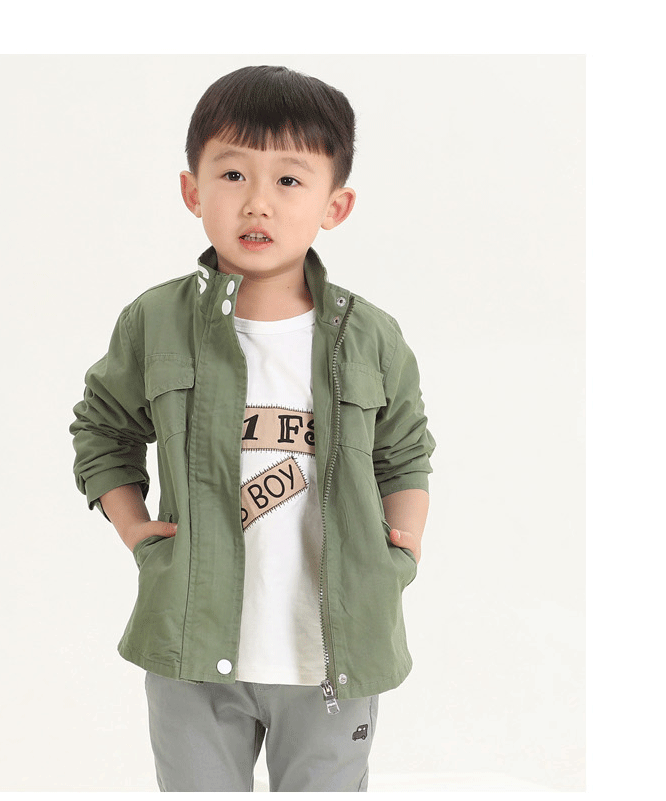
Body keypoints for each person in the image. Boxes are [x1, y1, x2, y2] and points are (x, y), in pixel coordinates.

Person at [70, 65, 435, 792]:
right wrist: (134, 528)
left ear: (336, 205)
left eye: (289, 180)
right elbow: (103, 428)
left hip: (334, 654)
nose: (257, 201)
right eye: (233, 174)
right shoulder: (156, 321)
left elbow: (404, 452)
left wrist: (401, 554)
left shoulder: (370, 337)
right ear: (192, 190)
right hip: (190, 649)